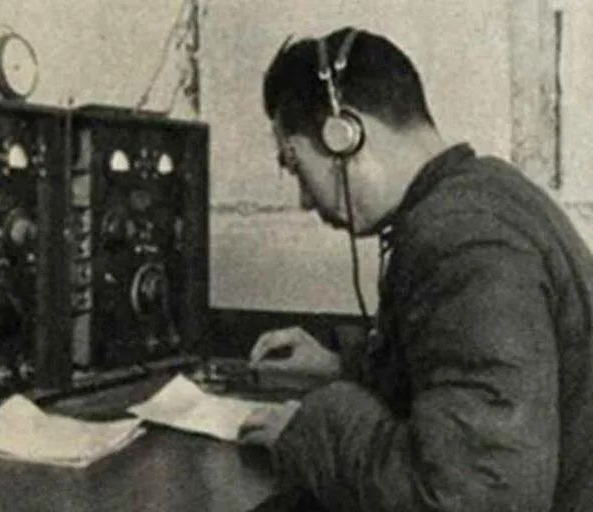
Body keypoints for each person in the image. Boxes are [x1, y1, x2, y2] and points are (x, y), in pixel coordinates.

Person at [237, 26, 593, 511]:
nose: (303, 199)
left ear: (344, 134)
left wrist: (309, 429)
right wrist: (342, 367)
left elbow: (471, 499)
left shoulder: (463, 240)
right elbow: (464, 372)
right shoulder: (483, 193)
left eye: (296, 164)